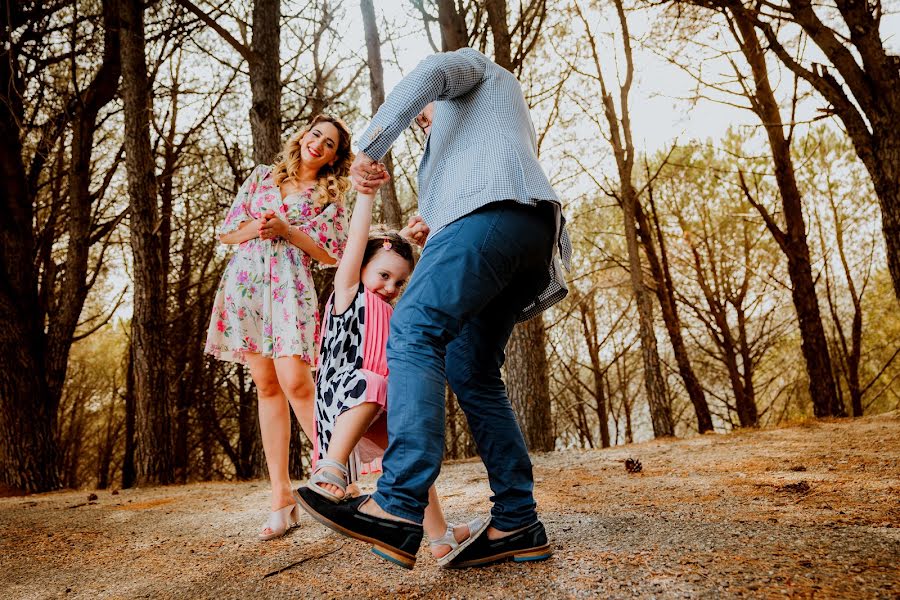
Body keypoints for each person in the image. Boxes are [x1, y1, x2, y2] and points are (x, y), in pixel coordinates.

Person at [295, 48, 572, 569]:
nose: (425, 118)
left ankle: (398, 504)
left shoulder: (476, 72)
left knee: (413, 327)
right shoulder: (474, 142)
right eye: (420, 121)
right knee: (472, 370)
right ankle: (517, 521)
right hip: (526, 236)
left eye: (427, 113)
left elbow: (431, 75)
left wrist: (371, 147)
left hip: (495, 214)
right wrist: (428, 223)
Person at [296, 181, 486, 568]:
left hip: (375, 403)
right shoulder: (350, 293)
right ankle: (329, 468)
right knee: (376, 382)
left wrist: (410, 239)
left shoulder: (388, 304)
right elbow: (360, 247)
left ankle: (440, 538)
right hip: (346, 394)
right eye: (383, 277)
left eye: (398, 283)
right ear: (362, 267)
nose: (390, 287)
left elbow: (386, 257)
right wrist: (365, 195)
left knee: (409, 454)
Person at [204, 114, 352, 541]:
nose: (319, 144)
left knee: (297, 384)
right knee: (266, 387)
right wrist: (261, 227)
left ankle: (338, 478)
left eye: (329, 144)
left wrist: (287, 231)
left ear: (334, 157)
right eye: (316, 135)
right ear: (303, 137)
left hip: (289, 288)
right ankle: (281, 498)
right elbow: (228, 233)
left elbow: (331, 254)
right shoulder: (261, 178)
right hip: (246, 287)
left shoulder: (328, 196)